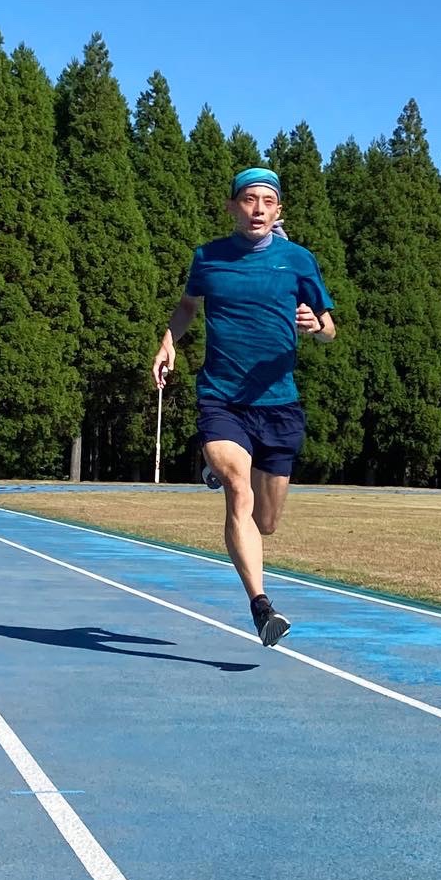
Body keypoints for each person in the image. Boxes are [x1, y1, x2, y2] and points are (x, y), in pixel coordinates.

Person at [151, 167, 336, 646]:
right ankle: (261, 606)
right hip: (223, 398)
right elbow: (188, 306)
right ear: (233, 207)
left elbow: (329, 328)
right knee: (238, 486)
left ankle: (221, 469)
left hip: (278, 404)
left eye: (267, 201)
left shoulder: (298, 260)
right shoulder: (208, 258)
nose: (257, 209)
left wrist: (316, 326)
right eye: (249, 199)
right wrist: (168, 341)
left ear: (278, 211)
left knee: (266, 523)